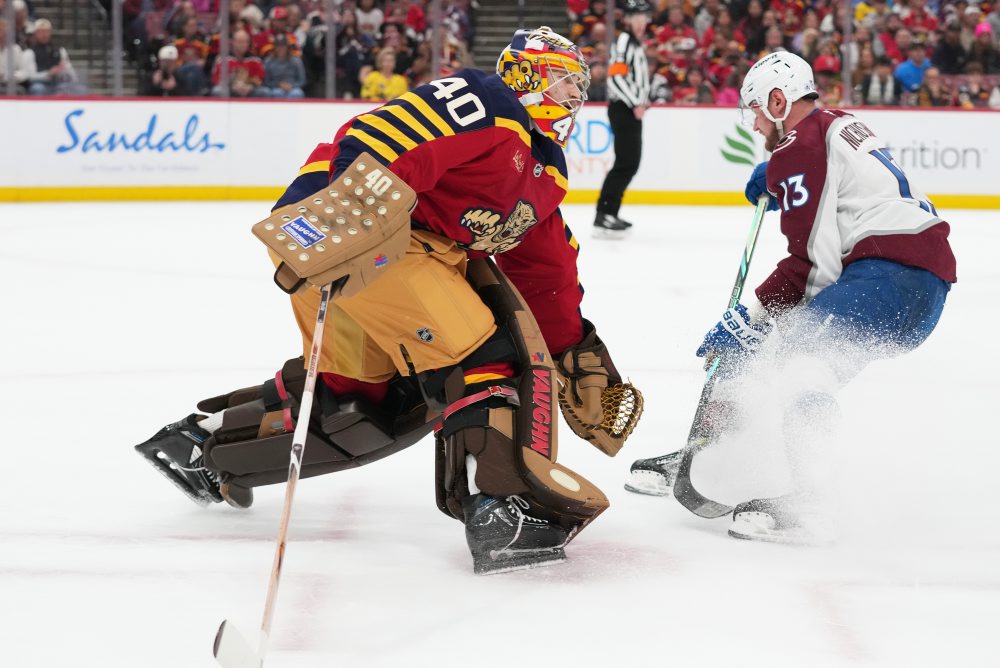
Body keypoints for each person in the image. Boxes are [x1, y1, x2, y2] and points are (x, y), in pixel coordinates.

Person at [133, 27, 643, 575]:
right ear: (529, 75)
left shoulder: (543, 171)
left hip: (365, 256)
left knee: (367, 402)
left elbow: (546, 269)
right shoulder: (489, 104)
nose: (575, 98)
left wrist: (574, 346)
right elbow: (386, 132)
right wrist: (345, 213)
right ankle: (500, 507)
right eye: (566, 82)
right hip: (371, 242)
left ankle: (202, 448)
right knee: (483, 357)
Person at [625, 51, 955, 544]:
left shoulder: (799, 146)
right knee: (785, 368)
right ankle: (722, 457)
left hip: (887, 275)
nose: (755, 125)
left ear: (778, 101)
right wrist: (778, 174)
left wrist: (750, 315)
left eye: (757, 110)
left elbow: (812, 267)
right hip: (918, 286)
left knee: (796, 359)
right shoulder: (835, 124)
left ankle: (808, 501)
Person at [594, 0, 651, 235]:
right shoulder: (626, 41)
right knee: (626, 162)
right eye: (637, 18)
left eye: (644, 18)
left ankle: (610, 211)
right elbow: (615, 78)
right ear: (628, 20)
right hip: (624, 108)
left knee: (629, 162)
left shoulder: (634, 43)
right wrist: (636, 102)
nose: (641, 23)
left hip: (629, 109)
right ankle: (604, 212)